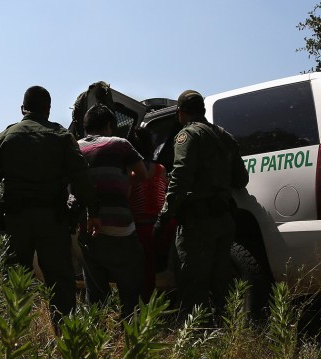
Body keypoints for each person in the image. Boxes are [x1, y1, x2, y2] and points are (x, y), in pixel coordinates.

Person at [0, 85, 101, 330]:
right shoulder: (60, 136)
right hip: (52, 221)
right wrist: (94, 211)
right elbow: (81, 178)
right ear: (48, 110)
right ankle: (65, 337)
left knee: (16, 282)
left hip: (16, 221)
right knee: (60, 283)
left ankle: (14, 339)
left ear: (23, 108)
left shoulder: (8, 135)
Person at [154, 89, 249, 323]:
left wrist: (163, 218)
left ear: (180, 112)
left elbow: (180, 178)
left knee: (192, 284)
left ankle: (194, 341)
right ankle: (223, 337)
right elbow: (241, 180)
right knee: (220, 286)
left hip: (197, 224)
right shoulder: (225, 136)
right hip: (223, 221)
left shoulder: (188, 135)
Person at [77, 104, 148, 319]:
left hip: (87, 226)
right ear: (109, 125)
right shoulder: (120, 144)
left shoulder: (75, 147)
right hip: (120, 227)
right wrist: (124, 181)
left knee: (95, 289)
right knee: (130, 283)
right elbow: (142, 173)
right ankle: (130, 330)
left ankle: (97, 337)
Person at [128, 128, 172, 302]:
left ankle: (144, 306)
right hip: (164, 227)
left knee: (143, 274)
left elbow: (127, 197)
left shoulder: (132, 173)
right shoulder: (161, 169)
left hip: (142, 229)